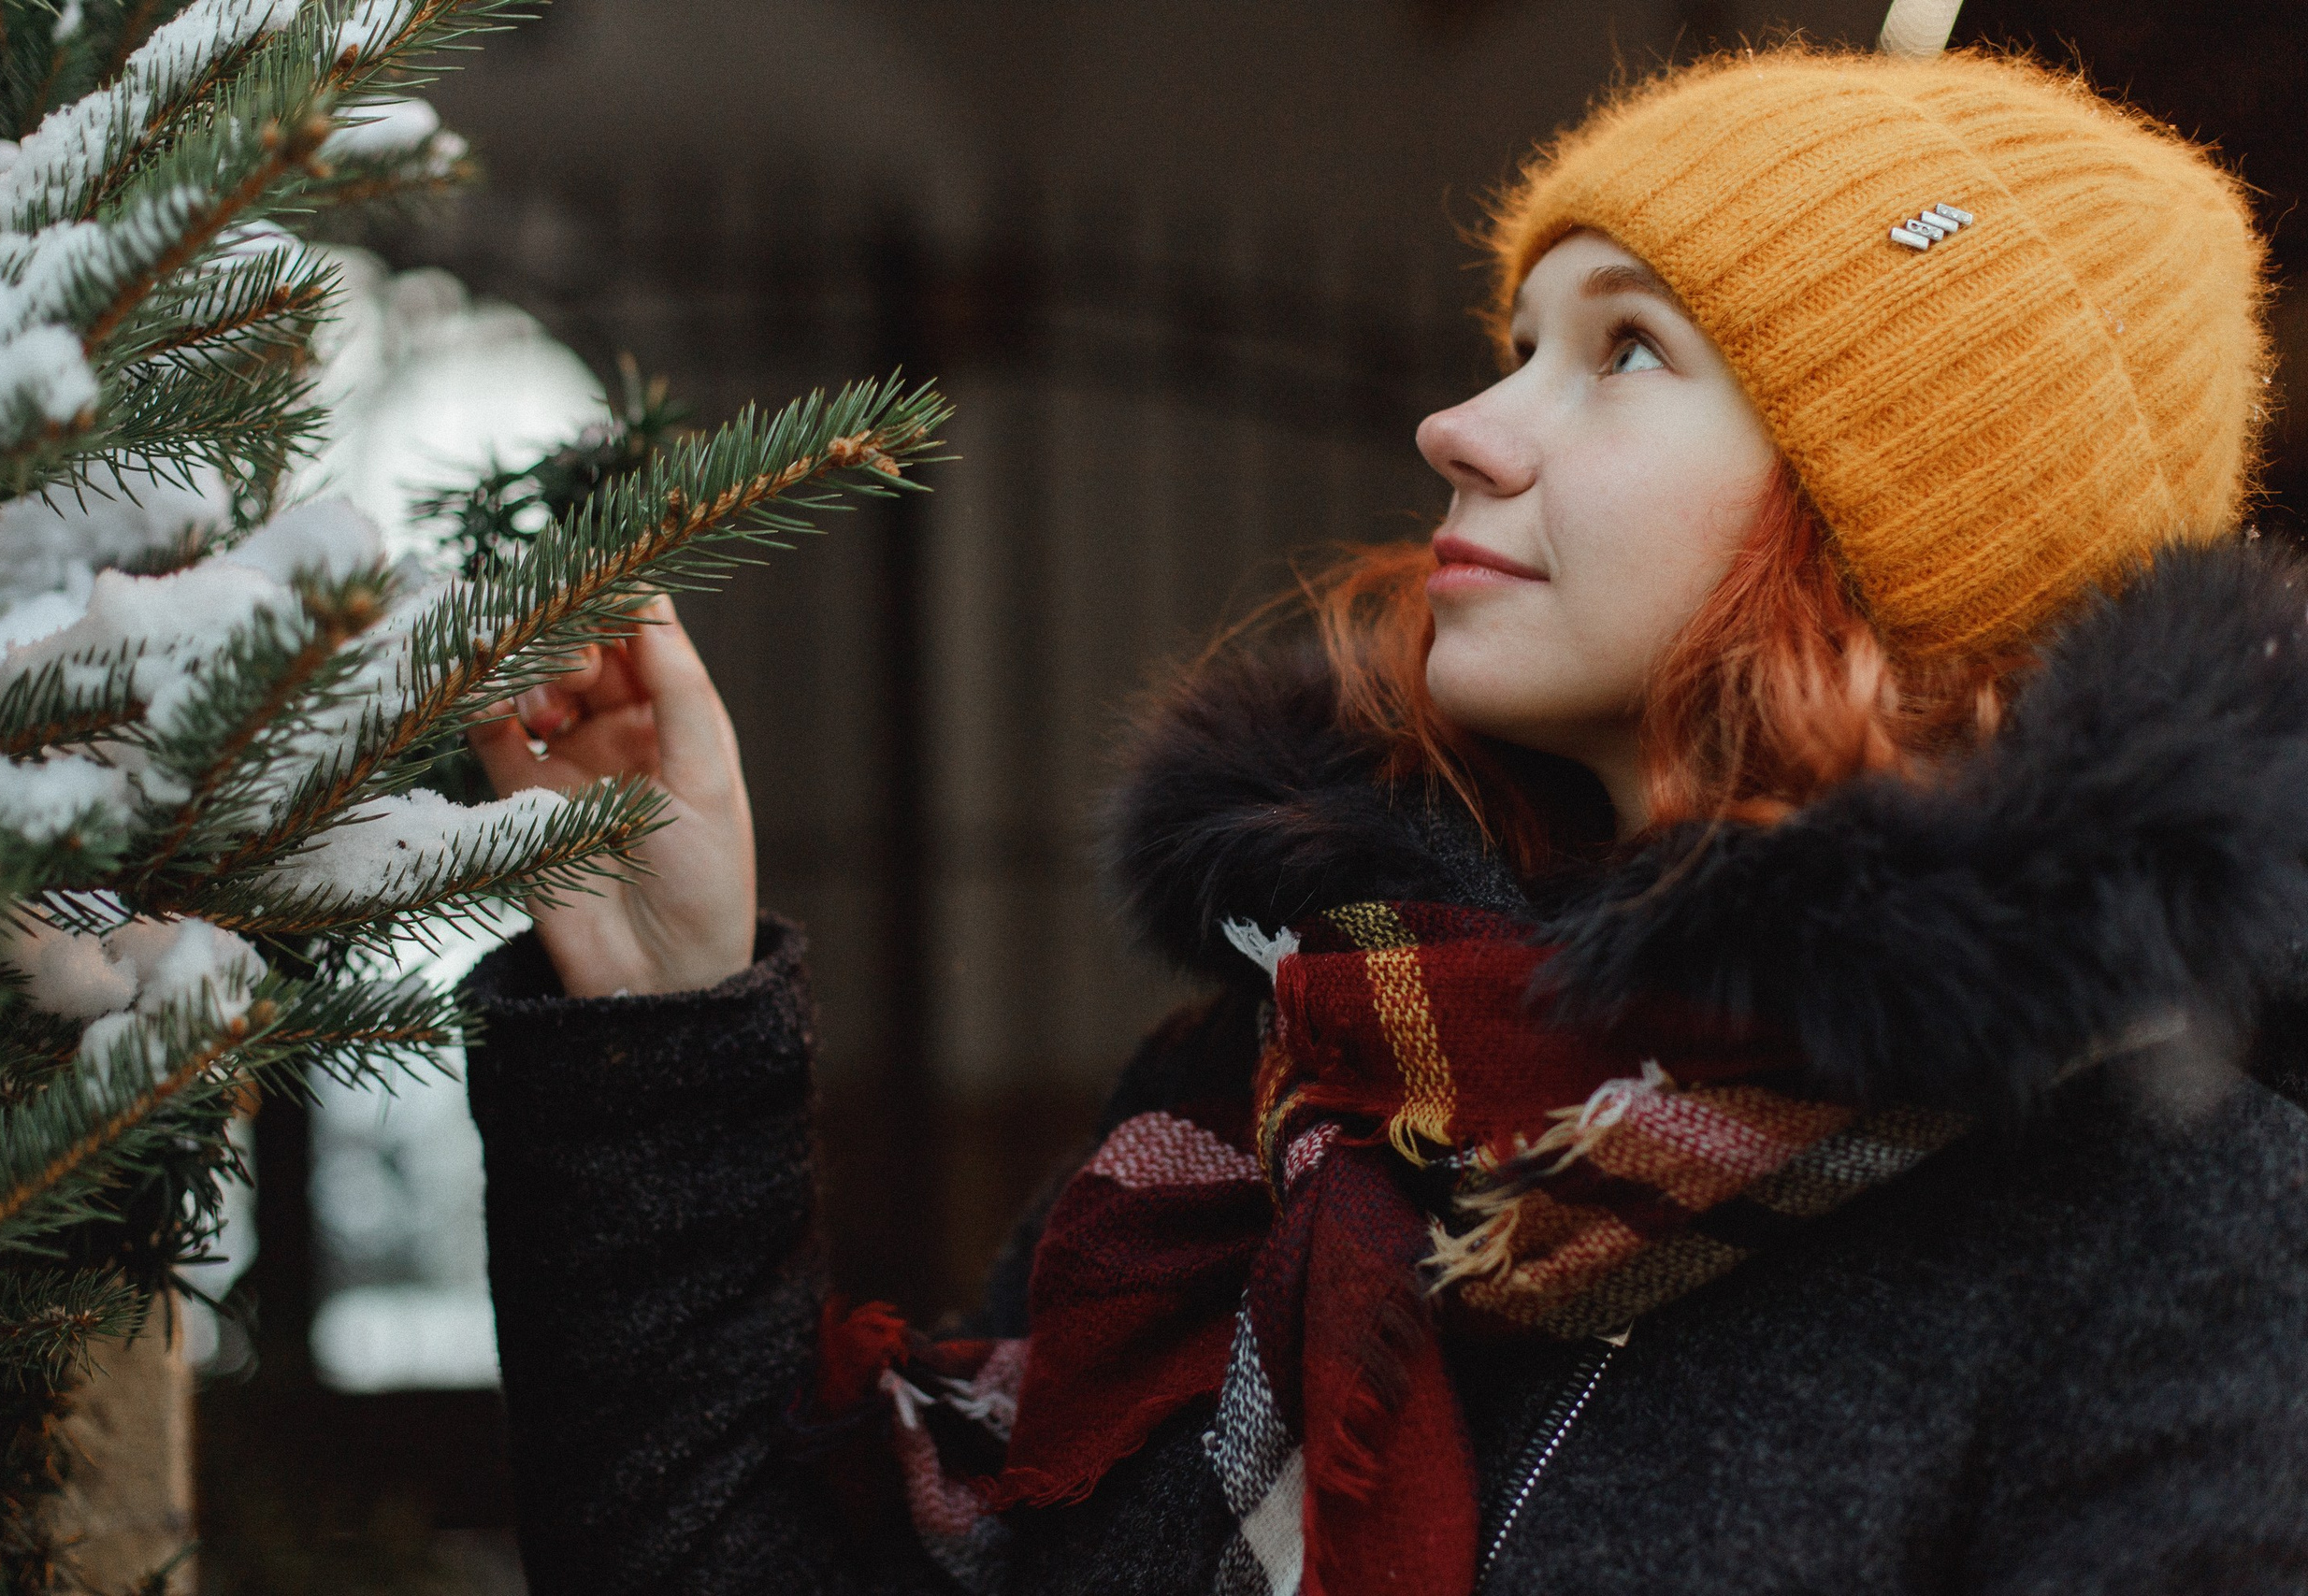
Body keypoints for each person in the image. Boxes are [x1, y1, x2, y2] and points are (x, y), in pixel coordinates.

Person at [458, 43, 2308, 1596]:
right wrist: (656, 1008)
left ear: (1882, 521)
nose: (1457, 424)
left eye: (1625, 351)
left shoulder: (2162, 1224)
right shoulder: (1280, 1084)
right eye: (1515, 341)